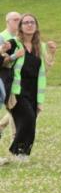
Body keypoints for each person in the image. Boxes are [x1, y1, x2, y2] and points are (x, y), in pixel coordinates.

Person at [7, 13, 50, 161]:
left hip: (34, 91)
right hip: (17, 90)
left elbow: (44, 70)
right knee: (28, 119)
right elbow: (2, 59)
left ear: (36, 26)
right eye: (25, 22)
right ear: (20, 27)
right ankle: (17, 149)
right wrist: (13, 56)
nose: (29, 24)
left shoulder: (40, 47)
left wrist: (53, 53)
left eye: (32, 22)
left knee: (31, 122)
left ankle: (23, 152)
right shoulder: (13, 43)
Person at [0, 11, 21, 143]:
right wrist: (14, 56)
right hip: (5, 78)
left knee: (15, 107)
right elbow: (1, 61)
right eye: (15, 19)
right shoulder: (2, 37)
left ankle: (14, 137)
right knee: (14, 108)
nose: (19, 21)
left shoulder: (20, 37)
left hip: (17, 78)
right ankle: (16, 140)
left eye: (20, 19)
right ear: (7, 22)